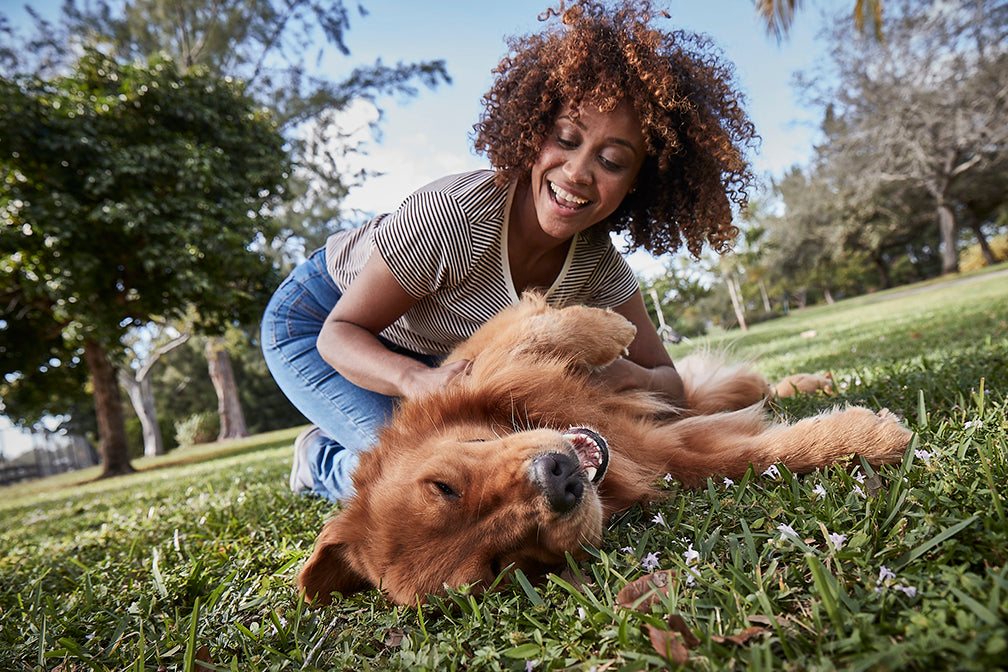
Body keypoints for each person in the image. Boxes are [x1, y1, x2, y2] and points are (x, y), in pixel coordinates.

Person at [261, 0, 758, 502]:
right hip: (319, 323)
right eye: (566, 138)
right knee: (415, 476)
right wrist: (413, 379)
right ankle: (319, 459)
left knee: (490, 458)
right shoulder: (456, 217)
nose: (577, 172)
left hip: (429, 348)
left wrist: (624, 375)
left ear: (636, 185)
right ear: (534, 132)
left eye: (611, 161)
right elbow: (339, 333)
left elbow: (668, 384)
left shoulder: (597, 265)